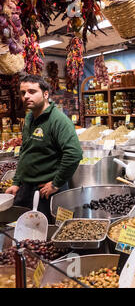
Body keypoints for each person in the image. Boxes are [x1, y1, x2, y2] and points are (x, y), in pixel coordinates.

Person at [6, 75, 83, 222]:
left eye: (32, 91)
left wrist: (56, 184)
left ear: (45, 94)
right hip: (26, 188)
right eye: (23, 93)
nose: (26, 96)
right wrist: (16, 182)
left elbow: (74, 153)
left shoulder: (58, 120)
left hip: (46, 192)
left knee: (46, 236)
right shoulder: (30, 117)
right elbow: (26, 151)